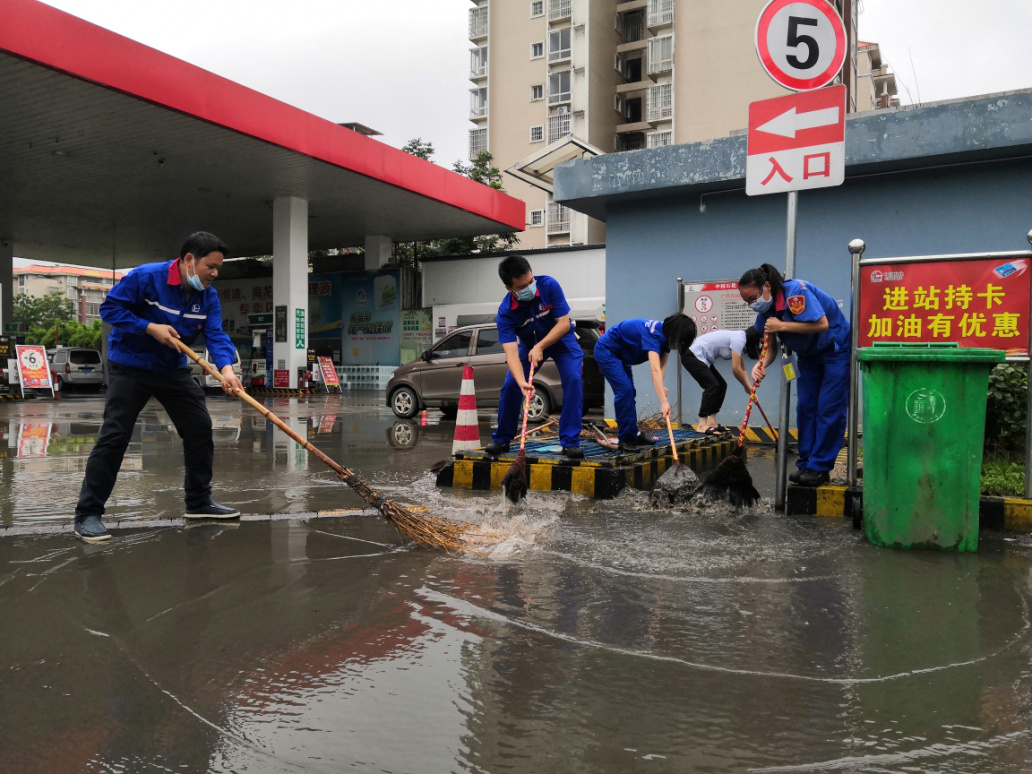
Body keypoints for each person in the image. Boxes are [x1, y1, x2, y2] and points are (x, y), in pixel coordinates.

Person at [73, 232, 246, 543]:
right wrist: (150, 328)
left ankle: (198, 502)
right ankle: (88, 513)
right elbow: (110, 310)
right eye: (212, 266)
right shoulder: (145, 277)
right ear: (189, 260)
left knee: (199, 428)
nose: (215, 274)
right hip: (130, 367)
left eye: (219, 268)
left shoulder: (208, 296)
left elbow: (217, 336)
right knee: (115, 436)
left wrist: (227, 370)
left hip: (172, 370)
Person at [738, 263, 850, 487]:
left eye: (753, 298)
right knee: (806, 407)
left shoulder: (797, 291)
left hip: (834, 350)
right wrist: (760, 367)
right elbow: (770, 348)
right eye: (747, 302)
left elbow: (822, 324)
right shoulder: (766, 310)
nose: (752, 305)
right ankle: (807, 463)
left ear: (767, 286)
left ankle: (820, 467)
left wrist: (782, 325)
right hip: (808, 356)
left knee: (828, 407)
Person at [485, 255, 584, 459]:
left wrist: (541, 345)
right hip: (530, 346)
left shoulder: (549, 285)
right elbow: (511, 352)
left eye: (531, 282)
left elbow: (564, 323)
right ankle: (502, 439)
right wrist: (522, 382)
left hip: (562, 339)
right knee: (511, 384)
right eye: (523, 286)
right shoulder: (505, 313)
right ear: (509, 288)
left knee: (573, 380)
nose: (530, 287)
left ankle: (570, 441)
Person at [592, 314, 696, 451]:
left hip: (621, 355)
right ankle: (625, 439)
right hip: (607, 351)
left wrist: (662, 385)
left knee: (629, 392)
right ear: (676, 333)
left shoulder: (666, 337)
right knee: (625, 391)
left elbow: (661, 366)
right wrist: (663, 401)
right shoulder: (653, 335)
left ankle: (633, 433)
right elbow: (654, 370)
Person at [681, 327, 763, 435]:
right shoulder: (739, 339)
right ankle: (701, 425)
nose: (762, 344)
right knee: (712, 386)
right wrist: (747, 387)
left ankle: (711, 422)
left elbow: (742, 369)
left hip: (703, 358)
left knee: (721, 385)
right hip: (692, 355)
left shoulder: (741, 343)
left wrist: (750, 390)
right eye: (762, 340)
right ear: (756, 337)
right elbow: (736, 369)